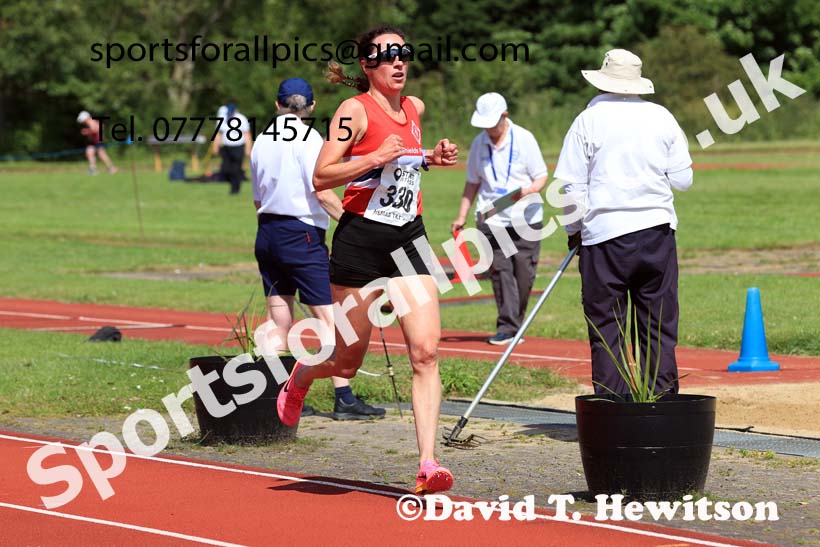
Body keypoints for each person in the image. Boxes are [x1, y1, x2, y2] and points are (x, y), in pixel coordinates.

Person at [276, 25, 459, 494]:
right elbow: (322, 175)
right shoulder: (352, 112)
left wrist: (431, 159)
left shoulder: (414, 107)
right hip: (360, 241)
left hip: (410, 238)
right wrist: (374, 155)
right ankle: (301, 376)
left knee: (426, 351)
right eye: (388, 55)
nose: (399, 62)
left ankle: (427, 463)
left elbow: (405, 164)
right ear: (367, 66)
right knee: (345, 360)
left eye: (404, 54)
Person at [553, 49, 693, 396]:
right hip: (656, 234)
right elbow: (683, 180)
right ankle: (661, 406)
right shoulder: (662, 116)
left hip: (605, 237)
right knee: (657, 326)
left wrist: (574, 231)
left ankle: (613, 410)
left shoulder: (588, 119)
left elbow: (571, 186)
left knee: (607, 328)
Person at [250, 78, 386, 421]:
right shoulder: (312, 140)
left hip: (267, 231)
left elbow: (257, 197)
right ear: (311, 107)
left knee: (278, 319)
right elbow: (323, 191)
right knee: (332, 319)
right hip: (303, 234)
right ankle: (343, 396)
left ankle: (274, 394)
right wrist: (355, 226)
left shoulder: (261, 141)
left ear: (277, 104)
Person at [452, 93, 549, 345]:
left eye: (492, 123)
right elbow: (472, 182)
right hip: (491, 219)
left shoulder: (525, 139)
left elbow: (541, 176)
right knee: (501, 271)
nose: (488, 129)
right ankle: (507, 328)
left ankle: (516, 324)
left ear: (504, 116)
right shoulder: (478, 144)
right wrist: (462, 215)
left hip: (525, 218)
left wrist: (528, 191)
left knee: (524, 274)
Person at [213, 102, 252, 194]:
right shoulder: (223, 119)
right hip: (226, 147)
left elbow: (247, 135)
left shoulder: (241, 119)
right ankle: (232, 184)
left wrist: (248, 148)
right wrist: (215, 146)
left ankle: (235, 189)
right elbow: (219, 133)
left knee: (236, 169)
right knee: (226, 169)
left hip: (238, 147)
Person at [76, 111, 117, 175]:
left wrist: (86, 132)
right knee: (89, 152)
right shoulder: (91, 122)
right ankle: (93, 169)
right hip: (94, 141)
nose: (82, 122)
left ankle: (111, 168)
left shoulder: (91, 122)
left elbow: (95, 129)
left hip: (97, 141)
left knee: (101, 154)